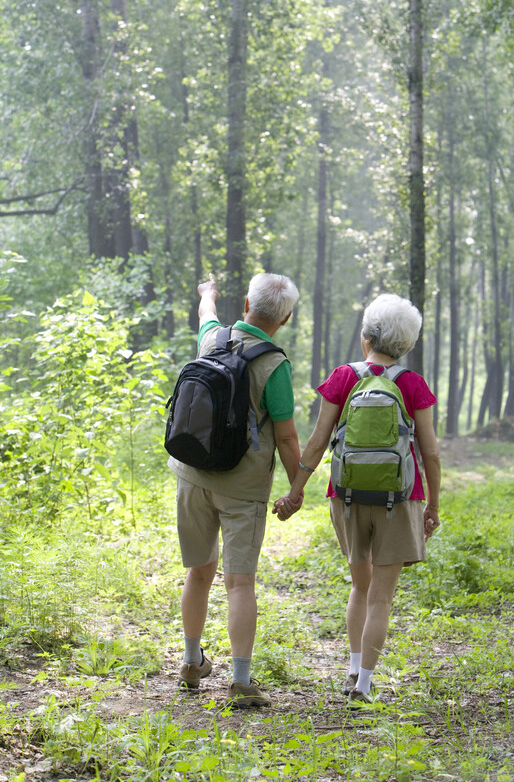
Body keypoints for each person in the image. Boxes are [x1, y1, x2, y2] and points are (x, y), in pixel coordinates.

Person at [273, 293, 441, 706]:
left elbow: (316, 441)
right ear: (408, 345)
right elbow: (431, 452)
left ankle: (350, 669)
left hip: (344, 495)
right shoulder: (412, 384)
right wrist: (433, 505)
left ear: (366, 336)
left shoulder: (344, 376)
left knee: (359, 586)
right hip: (400, 497)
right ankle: (364, 685)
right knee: (381, 595)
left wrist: (295, 492)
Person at [169, 272, 300, 708]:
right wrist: (296, 486)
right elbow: (285, 438)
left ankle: (191, 662)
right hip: (242, 488)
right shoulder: (275, 365)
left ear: (246, 303)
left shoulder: (213, 338)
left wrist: (207, 292)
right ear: (283, 319)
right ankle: (240, 682)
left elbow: (206, 313)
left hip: (192, 474)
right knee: (239, 582)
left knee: (199, 572)